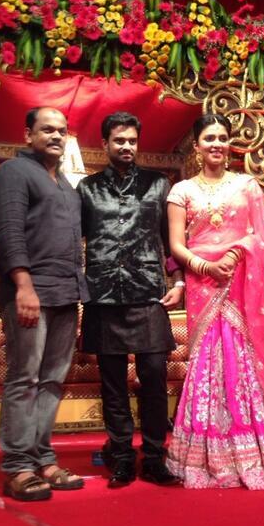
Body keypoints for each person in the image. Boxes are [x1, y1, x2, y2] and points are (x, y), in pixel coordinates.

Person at [165, 113, 264, 489]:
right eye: (209, 138)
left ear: (229, 144)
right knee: (207, 358)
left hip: (240, 282)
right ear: (197, 146)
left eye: (222, 137)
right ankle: (208, 453)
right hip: (202, 284)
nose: (217, 144)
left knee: (241, 356)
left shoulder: (247, 185)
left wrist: (236, 251)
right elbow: (176, 245)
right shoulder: (181, 191)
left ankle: (254, 448)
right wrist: (205, 267)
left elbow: (260, 236)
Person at [0, 106, 89, 501]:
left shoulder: (65, 184)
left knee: (51, 381)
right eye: (47, 129)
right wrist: (23, 286)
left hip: (65, 294)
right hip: (30, 293)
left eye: (62, 130)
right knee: (25, 378)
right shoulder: (13, 173)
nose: (56, 136)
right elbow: (8, 233)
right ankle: (18, 467)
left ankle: (43, 459)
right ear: (28, 134)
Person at [77, 111, 183, 488]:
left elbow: (171, 240)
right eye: (119, 140)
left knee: (153, 376)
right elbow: (73, 240)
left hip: (148, 294)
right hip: (103, 296)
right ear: (104, 144)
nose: (126, 147)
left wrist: (178, 280)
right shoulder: (87, 189)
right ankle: (121, 457)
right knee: (113, 384)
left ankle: (154, 457)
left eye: (132, 141)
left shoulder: (158, 185)